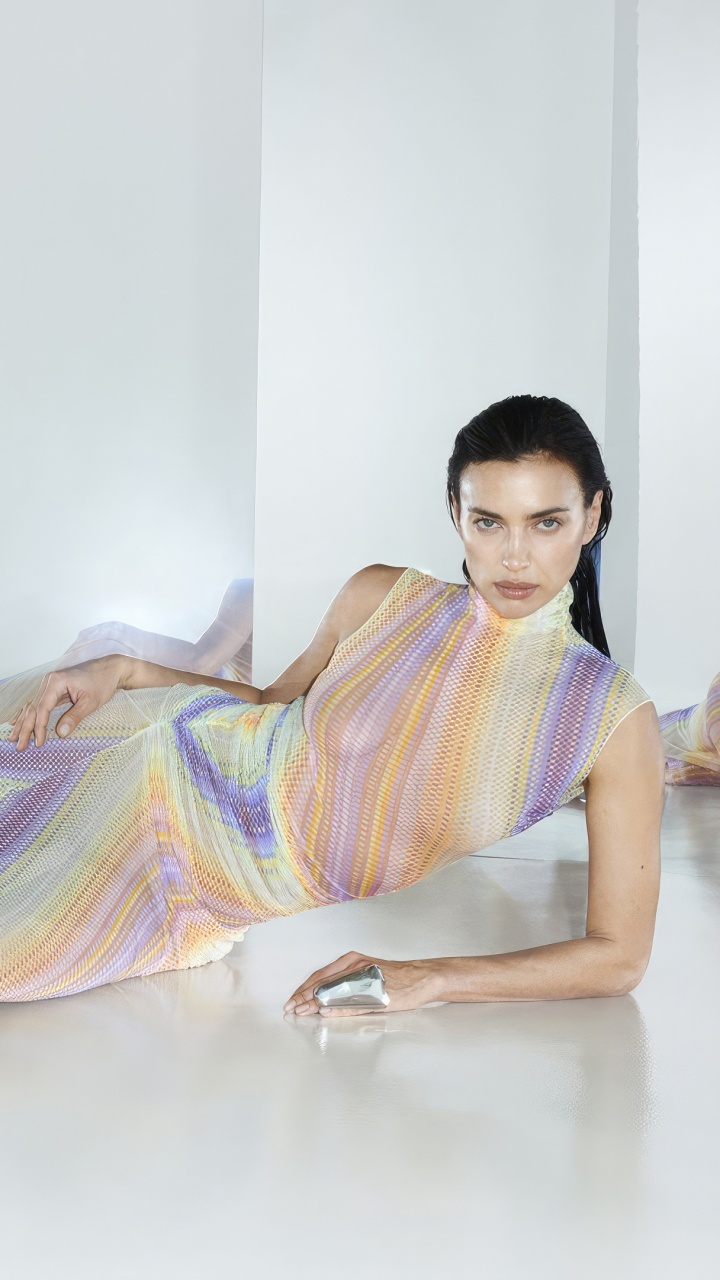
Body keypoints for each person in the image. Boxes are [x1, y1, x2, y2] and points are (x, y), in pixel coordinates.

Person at [1, 395, 717, 1007]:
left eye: (546, 522)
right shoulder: (383, 595)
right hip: (154, 761)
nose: (514, 556)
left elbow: (619, 956)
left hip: (193, 896)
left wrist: (429, 978)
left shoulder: (609, 716)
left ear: (593, 514)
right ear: (456, 513)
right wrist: (128, 669)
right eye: (488, 521)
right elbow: (269, 704)